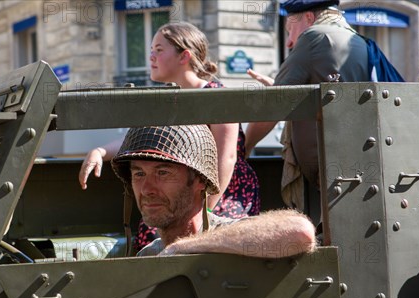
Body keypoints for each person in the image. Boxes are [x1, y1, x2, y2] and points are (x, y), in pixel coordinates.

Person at [80, 21, 260, 250]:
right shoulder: (170, 99)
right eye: (151, 51)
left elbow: (227, 159)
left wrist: (207, 212)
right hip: (182, 188)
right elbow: (144, 143)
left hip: (219, 190)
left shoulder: (216, 96)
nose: (151, 57)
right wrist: (101, 151)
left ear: (184, 56)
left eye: (159, 50)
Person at [245, 0, 370, 222]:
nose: (290, 42)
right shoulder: (356, 39)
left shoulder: (315, 37)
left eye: (290, 30)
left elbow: (275, 104)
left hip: (334, 176)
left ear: (309, 19)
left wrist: (242, 150)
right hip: (351, 168)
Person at [110, 124, 315, 257]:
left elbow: (300, 232)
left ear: (200, 180)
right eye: (139, 174)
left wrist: (183, 247)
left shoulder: (230, 236)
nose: (147, 189)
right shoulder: (148, 255)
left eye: (163, 173)